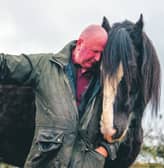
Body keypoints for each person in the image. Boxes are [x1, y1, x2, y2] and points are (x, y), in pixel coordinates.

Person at [0, 24, 118, 168]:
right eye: (95, 51)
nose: (98, 58)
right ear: (80, 43)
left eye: (102, 54)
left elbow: (122, 121)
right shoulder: (46, 66)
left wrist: (104, 151)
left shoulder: (106, 82)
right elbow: (6, 64)